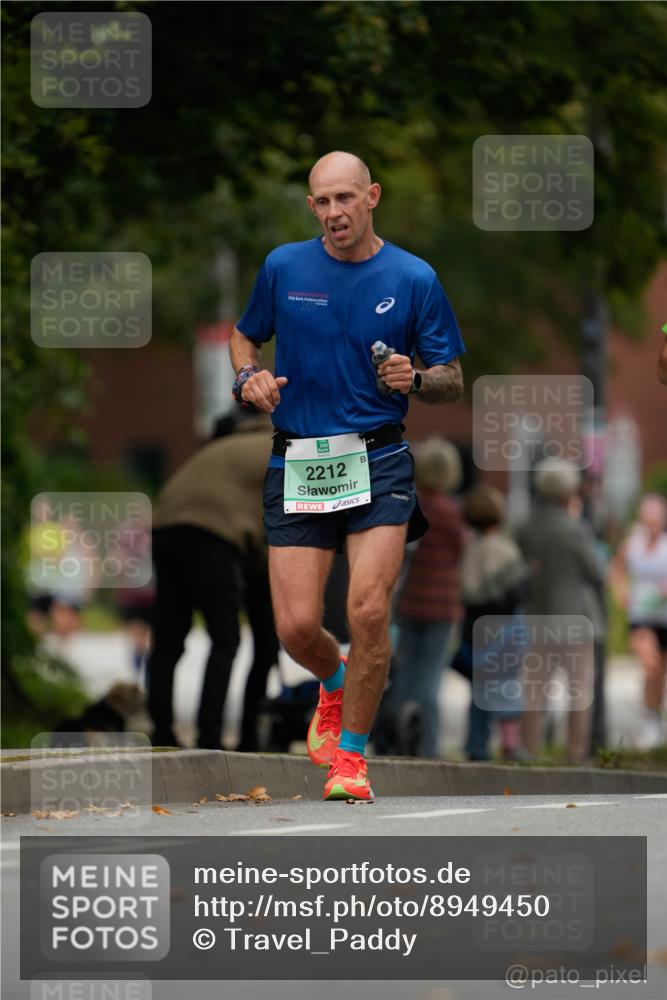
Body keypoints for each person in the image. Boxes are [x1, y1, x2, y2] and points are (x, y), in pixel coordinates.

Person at [230, 150, 465, 800]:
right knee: (296, 627)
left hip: (378, 458)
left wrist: (416, 379)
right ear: (312, 207)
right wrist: (246, 378)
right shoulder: (283, 267)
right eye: (322, 201)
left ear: (371, 197)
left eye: (344, 198)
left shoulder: (414, 278)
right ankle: (334, 680)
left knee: (366, 609)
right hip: (299, 458)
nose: (334, 212)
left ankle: (351, 759)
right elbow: (244, 336)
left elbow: (450, 379)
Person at [146, 412, 278, 749]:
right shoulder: (281, 447)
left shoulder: (218, 449)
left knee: (168, 637)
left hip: (165, 528)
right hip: (214, 537)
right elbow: (278, 525)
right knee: (225, 639)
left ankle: (162, 733)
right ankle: (213, 738)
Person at [516, 458, 605, 764]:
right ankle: (576, 754)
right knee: (579, 691)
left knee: (535, 689)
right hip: (575, 620)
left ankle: (528, 750)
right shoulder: (574, 528)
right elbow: (596, 572)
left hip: (538, 619)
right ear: (567, 491)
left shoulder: (526, 527)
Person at [387, 437, 465, 759]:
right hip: (442, 606)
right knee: (430, 681)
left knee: (403, 675)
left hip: (409, 602)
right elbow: (461, 552)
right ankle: (428, 749)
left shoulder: (409, 505)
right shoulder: (451, 512)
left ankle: (393, 743)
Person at [451, 484, 528, 761]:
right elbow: (518, 587)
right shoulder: (504, 548)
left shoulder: (469, 548)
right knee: (506, 683)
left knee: (479, 690)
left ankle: (476, 744)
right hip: (503, 626)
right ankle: (510, 743)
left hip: (474, 626)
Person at [610, 493, 667, 749]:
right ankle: (649, 721)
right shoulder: (633, 544)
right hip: (641, 615)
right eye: (648, 517)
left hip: (663, 616)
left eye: (656, 517)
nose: (652, 522)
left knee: (659, 674)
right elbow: (616, 570)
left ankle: (654, 717)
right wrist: (622, 593)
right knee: (650, 664)